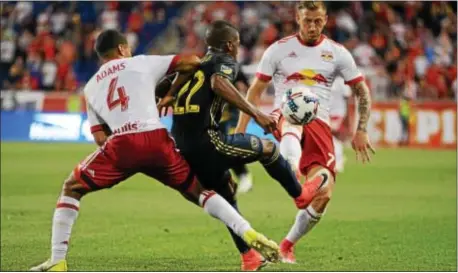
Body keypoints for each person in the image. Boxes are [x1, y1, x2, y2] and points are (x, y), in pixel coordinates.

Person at [30, 29, 280, 272]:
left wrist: (120, 155)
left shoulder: (91, 86)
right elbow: (191, 62)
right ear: (121, 49)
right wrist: (169, 93)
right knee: (198, 191)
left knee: (72, 187)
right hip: (157, 140)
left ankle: (58, 260)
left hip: (122, 145)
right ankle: (247, 231)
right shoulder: (141, 63)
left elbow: (98, 137)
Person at [158, 20, 310, 271]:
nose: (238, 49)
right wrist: (257, 114)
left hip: (183, 149)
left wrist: (166, 95)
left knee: (226, 193)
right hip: (209, 142)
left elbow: (161, 87)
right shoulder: (223, 60)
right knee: (269, 149)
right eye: (237, 44)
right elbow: (219, 83)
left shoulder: (190, 65)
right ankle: (300, 196)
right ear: (229, 45)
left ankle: (249, 257)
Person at [235, 1, 376, 263]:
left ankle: (287, 245)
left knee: (325, 193)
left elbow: (361, 90)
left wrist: (362, 129)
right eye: (307, 21)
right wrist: (239, 133)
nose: (313, 26)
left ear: (325, 20)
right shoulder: (278, 50)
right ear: (297, 19)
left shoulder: (337, 53)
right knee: (293, 116)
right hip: (283, 115)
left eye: (318, 21)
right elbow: (252, 94)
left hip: (320, 123)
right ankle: (295, 177)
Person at [219, 70, 254, 194]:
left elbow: (248, 87)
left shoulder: (233, 67)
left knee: (231, 145)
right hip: (216, 116)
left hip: (232, 114)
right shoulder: (206, 67)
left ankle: (244, 176)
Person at [329, 76, 353, 173]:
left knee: (334, 135)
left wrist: (347, 117)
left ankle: (339, 160)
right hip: (326, 112)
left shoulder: (342, 82)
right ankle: (338, 159)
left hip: (338, 113)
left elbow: (348, 99)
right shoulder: (325, 78)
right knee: (330, 136)